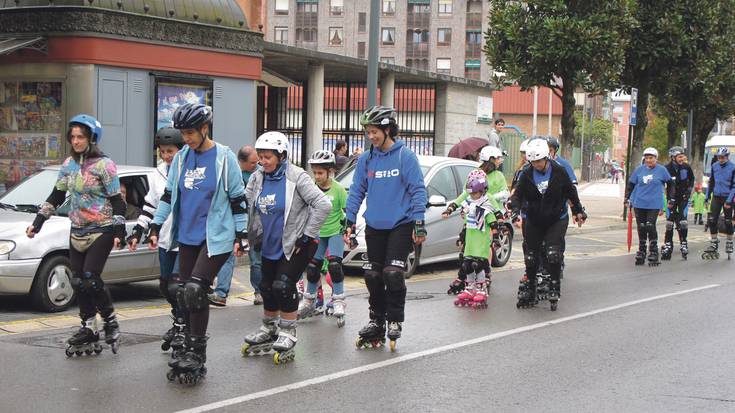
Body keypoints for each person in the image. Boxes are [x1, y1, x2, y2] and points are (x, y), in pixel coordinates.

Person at [148, 103, 247, 384]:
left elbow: (238, 199)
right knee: (181, 291)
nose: (186, 139)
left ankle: (197, 353)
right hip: (187, 236)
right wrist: (156, 224)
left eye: (190, 133)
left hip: (216, 237)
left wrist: (241, 234)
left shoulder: (223, 157)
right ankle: (189, 345)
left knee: (195, 289)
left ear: (205, 129)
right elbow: (168, 196)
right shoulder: (181, 159)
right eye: (183, 133)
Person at [26, 114, 124, 356]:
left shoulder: (104, 165)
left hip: (101, 228)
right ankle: (89, 326)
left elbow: (117, 201)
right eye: (73, 137)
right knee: (77, 281)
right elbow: (57, 195)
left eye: (80, 137)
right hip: (77, 228)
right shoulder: (69, 164)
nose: (76, 141)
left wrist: (119, 230)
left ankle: (110, 320)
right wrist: (38, 222)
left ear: (91, 138)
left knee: (91, 277)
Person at [241, 132, 331, 364]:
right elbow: (248, 203)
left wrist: (308, 234)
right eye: (260, 156)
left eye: (268, 156)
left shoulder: (297, 176)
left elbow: (323, 204)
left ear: (282, 155)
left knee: (283, 285)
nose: (263, 161)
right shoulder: (258, 177)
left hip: (298, 243)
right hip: (269, 241)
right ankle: (269, 327)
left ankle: (289, 331)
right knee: (266, 286)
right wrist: (246, 233)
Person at [344, 105, 427, 351]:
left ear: (388, 129)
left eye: (374, 132)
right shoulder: (367, 159)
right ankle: (376, 320)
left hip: (401, 224)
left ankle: (395, 320)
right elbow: (357, 189)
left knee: (392, 273)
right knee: (371, 275)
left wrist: (419, 222)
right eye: (368, 132)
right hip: (374, 225)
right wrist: (348, 220)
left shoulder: (405, 157)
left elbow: (417, 191)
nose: (370, 137)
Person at [126, 127, 184, 355]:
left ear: (180, 150)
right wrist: (139, 231)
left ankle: (182, 325)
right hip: (165, 238)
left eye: (171, 151)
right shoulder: (157, 173)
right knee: (165, 286)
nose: (167, 156)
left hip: (187, 239)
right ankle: (178, 319)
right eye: (163, 151)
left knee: (178, 286)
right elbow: (151, 205)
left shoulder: (189, 171)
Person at [509, 139, 586, 311]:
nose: (536, 165)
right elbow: (517, 196)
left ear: (546, 157)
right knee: (531, 255)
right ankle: (530, 284)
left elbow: (570, 192)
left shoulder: (559, 171)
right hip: (534, 218)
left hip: (556, 218)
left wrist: (578, 211)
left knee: (552, 253)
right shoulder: (527, 173)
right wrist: (515, 212)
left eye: (538, 161)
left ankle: (553, 283)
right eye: (533, 162)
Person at [442, 145, 508, 294]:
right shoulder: (474, 173)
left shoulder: (499, 176)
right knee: (466, 250)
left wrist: (488, 200)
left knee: (484, 251)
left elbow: (505, 193)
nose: (499, 161)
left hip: (487, 215)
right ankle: (464, 277)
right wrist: (452, 207)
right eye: (497, 158)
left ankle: (485, 276)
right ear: (490, 159)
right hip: (472, 217)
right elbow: (466, 193)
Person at [297, 150, 349, 327]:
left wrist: (349, 230)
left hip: (334, 231)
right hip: (316, 233)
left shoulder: (339, 189)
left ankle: (339, 301)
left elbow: (347, 212)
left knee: (334, 266)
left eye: (320, 173)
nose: (317, 176)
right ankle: (309, 301)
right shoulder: (310, 189)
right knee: (312, 268)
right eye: (315, 173)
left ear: (330, 171)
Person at [208, 145, 263, 307]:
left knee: (256, 260)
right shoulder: (232, 174)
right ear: (241, 162)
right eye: (253, 163)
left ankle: (259, 291)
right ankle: (221, 293)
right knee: (227, 256)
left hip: (254, 224)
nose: (257, 165)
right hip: (232, 221)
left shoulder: (261, 173)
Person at [443, 170, 502, 309]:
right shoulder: (469, 202)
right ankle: (469, 288)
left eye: (474, 193)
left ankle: (482, 289)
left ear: (482, 191)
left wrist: (496, 238)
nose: (472, 196)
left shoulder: (486, 204)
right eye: (470, 194)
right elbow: (459, 206)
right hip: (470, 240)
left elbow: (493, 221)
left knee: (479, 264)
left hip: (481, 241)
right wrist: (449, 211)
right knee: (467, 264)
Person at [625, 147, 673, 266]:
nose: (648, 160)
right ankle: (642, 250)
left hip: (654, 203)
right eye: (646, 158)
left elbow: (671, 184)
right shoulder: (639, 170)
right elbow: (631, 184)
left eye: (651, 158)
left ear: (655, 158)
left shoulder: (662, 170)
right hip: (639, 202)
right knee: (641, 226)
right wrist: (627, 198)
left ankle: (653, 251)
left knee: (650, 225)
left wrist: (670, 199)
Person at [661, 146, 694, 260]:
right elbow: (662, 183)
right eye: (680, 156)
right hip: (671, 199)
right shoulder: (666, 169)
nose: (682, 158)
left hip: (683, 198)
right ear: (673, 157)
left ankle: (683, 243)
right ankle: (668, 244)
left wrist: (689, 191)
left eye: (683, 156)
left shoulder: (686, 167)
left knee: (683, 222)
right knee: (670, 223)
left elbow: (692, 179)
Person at [702, 147, 735, 259]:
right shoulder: (714, 166)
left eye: (723, 157)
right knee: (711, 220)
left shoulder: (733, 167)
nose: (720, 159)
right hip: (716, 196)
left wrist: (729, 200)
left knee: (728, 221)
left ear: (727, 157)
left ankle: (729, 242)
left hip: (727, 197)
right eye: (719, 157)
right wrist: (707, 197)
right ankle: (714, 242)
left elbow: (734, 186)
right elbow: (711, 182)